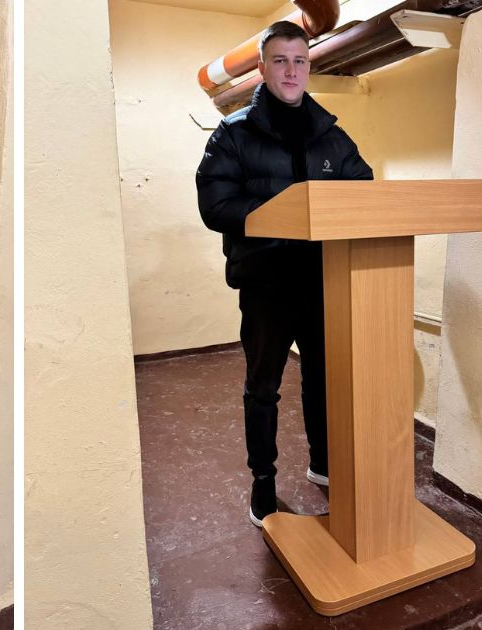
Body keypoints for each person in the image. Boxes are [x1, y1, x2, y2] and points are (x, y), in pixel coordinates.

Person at [195, 21, 373, 528]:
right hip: (266, 283)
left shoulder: (330, 133)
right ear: (262, 68)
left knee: (323, 378)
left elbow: (364, 187)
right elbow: (216, 205)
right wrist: (285, 214)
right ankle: (264, 482)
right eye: (280, 61)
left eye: (300, 61)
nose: (291, 71)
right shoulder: (234, 134)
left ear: (308, 67)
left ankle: (323, 462)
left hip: (322, 280)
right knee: (263, 387)